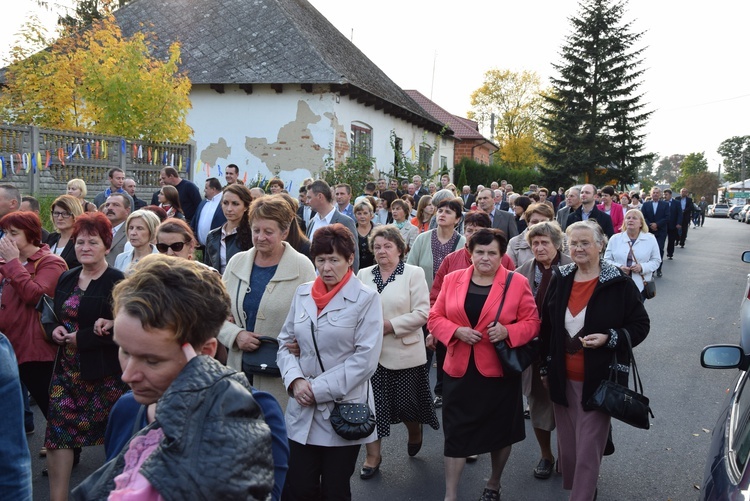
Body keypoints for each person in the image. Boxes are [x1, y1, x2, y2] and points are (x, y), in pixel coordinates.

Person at [72, 255, 275, 500]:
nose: (127, 375)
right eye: (125, 351)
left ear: (205, 352)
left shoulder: (255, 411)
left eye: (152, 360)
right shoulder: (126, 409)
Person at [428, 228, 540, 501]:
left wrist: (507, 332)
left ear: (502, 255)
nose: (486, 258)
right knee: (455, 433)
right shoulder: (453, 279)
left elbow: (533, 323)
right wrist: (455, 331)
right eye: (480, 252)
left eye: (492, 253)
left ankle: (494, 482)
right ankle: (450, 494)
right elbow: (434, 317)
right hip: (459, 370)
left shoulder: (516, 283)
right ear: (470, 253)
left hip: (498, 372)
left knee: (500, 431)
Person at [277, 224, 383, 500]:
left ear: (350, 260)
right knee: (298, 488)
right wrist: (295, 381)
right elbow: (284, 343)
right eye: (321, 260)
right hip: (301, 409)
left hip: (343, 410)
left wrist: (316, 390)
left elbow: (364, 360)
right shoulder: (302, 294)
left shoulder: (366, 298)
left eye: (334, 259)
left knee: (334, 490)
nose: (326, 267)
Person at [44, 212, 129, 500]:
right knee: (58, 436)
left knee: (115, 439)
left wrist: (82, 338)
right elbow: (51, 313)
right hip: (66, 372)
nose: (84, 248)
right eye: (80, 242)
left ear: (107, 245)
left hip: (106, 374)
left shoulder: (118, 281)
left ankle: (116, 494)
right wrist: (53, 329)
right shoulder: (67, 277)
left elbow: (127, 327)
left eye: (92, 242)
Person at [356, 226, 438, 479]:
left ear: (400, 249)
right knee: (373, 407)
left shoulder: (413, 273)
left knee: (406, 406)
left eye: (387, 246)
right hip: (371, 354)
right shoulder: (363, 274)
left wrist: (390, 325)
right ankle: (373, 456)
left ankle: (415, 431)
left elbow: (423, 313)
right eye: (377, 247)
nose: (382, 251)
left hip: (404, 352)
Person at [219, 195, 316, 407]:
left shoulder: (302, 267)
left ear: (284, 232)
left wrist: (303, 342)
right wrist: (235, 335)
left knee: (276, 433)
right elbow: (214, 314)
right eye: (256, 230)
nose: (260, 237)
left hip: (282, 376)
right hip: (239, 371)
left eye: (268, 232)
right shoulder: (237, 262)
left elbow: (315, 319)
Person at [0, 211, 67, 434]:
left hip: (35, 348)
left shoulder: (50, 262)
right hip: (7, 344)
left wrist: (11, 263)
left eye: (13, 233)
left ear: (30, 234)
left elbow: (36, 295)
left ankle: (66, 450)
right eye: (4, 233)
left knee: (51, 407)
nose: (6, 239)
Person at [515, 221, 572, 480]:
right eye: (535, 243)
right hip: (535, 350)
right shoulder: (522, 272)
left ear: (557, 244)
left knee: (569, 406)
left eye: (544, 242)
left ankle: (569, 456)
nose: (539, 247)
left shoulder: (574, 265)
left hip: (568, 349)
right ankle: (546, 455)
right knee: (538, 404)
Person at [408, 199, 465, 409]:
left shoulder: (463, 242)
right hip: (423, 303)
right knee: (422, 350)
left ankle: (441, 391)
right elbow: (410, 269)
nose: (441, 214)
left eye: (448, 212)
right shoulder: (422, 239)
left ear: (457, 219)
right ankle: (419, 393)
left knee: (444, 350)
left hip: (451, 307)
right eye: (439, 210)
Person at [604, 209, 661, 302]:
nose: (630, 220)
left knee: (635, 314)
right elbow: (606, 260)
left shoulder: (650, 239)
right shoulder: (615, 239)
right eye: (628, 218)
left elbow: (656, 260)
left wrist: (642, 267)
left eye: (634, 218)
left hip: (640, 286)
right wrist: (619, 267)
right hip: (617, 284)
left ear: (641, 223)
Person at [305, 180, 360, 273]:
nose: (307, 201)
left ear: (320, 196)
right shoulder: (312, 222)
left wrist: (349, 285)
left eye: (309, 197)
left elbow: (353, 257)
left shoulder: (345, 222)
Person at [204, 183, 253, 273]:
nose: (229, 209)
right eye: (225, 203)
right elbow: (208, 269)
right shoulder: (212, 235)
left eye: (235, 204)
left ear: (245, 207)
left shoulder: (253, 234)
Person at [507, 203, 555, 267]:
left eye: (543, 222)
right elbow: (510, 271)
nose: (539, 225)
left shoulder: (564, 240)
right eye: (535, 222)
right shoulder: (514, 243)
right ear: (527, 223)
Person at [46, 194, 84, 269]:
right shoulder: (51, 238)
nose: (59, 218)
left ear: (75, 215)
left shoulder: (81, 240)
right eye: (56, 213)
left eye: (65, 214)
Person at [190, 177, 227, 248]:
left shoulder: (224, 202)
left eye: (206, 188)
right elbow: (195, 221)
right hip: (203, 247)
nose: (204, 190)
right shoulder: (203, 202)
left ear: (213, 189)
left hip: (218, 247)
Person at [641, 186, 669, 278]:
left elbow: (667, 217)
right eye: (654, 192)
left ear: (660, 194)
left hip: (661, 231)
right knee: (649, 250)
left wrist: (657, 224)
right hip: (649, 231)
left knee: (659, 249)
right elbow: (643, 217)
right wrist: (650, 225)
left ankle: (659, 269)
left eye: (657, 193)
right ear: (651, 194)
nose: (655, 194)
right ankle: (651, 269)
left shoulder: (665, 205)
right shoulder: (646, 204)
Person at [103, 193, 131, 266]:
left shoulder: (131, 231)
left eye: (116, 205)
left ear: (127, 210)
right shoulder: (97, 230)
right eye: (107, 205)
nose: (109, 208)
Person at [354, 199, 377, 270]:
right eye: (359, 213)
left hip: (375, 269)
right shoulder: (351, 231)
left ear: (371, 214)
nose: (362, 216)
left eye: (365, 213)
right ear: (355, 215)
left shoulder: (377, 231)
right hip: (355, 270)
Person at [662, 189, 683, 260]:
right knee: (661, 240)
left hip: (673, 225)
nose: (665, 196)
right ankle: (660, 253)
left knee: (671, 240)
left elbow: (680, 214)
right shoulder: (661, 203)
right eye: (664, 195)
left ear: (670, 195)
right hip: (663, 225)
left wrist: (679, 223)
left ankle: (670, 253)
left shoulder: (676, 203)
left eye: (666, 195)